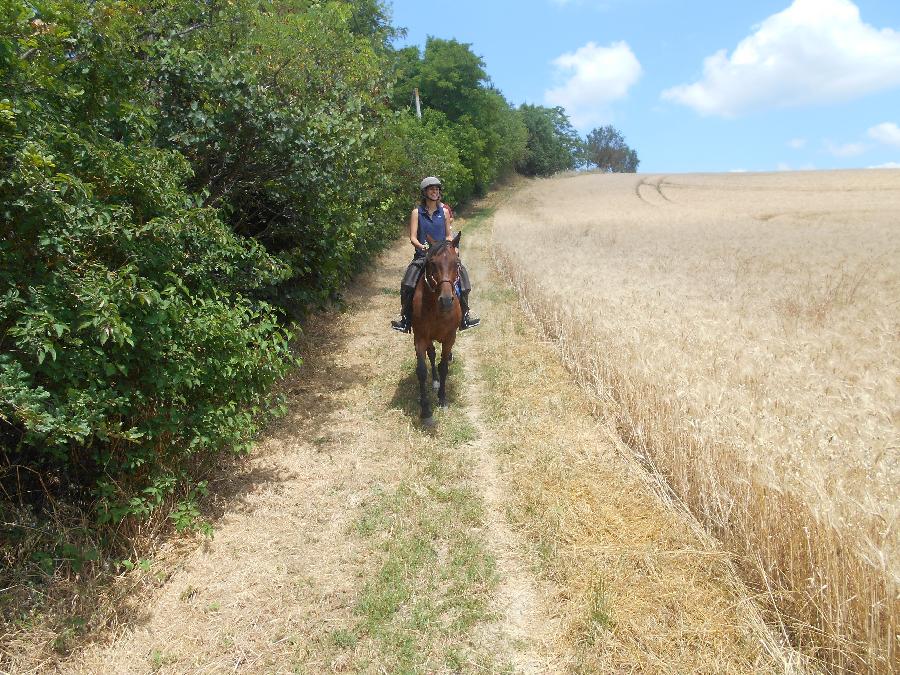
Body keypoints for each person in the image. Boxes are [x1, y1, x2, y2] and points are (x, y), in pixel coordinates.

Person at [390, 177, 480, 333]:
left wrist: (452, 247)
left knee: (464, 280)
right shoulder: (416, 213)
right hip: (423, 256)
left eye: (437, 189)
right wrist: (422, 246)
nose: (435, 192)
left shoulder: (444, 212)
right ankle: (405, 319)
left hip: (443, 258)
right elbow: (412, 237)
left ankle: (465, 316)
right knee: (407, 284)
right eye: (432, 189)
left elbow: (448, 235)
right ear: (425, 192)